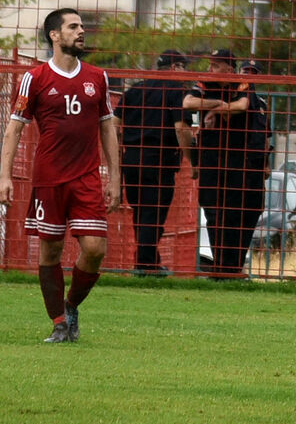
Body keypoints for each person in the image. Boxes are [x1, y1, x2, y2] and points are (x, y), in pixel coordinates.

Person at [0, 8, 120, 343]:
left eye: (82, 26)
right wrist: (4, 176)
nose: (82, 31)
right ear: (54, 35)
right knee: (50, 252)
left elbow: (107, 128)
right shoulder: (34, 78)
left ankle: (72, 303)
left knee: (94, 249)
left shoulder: (98, 77)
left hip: (87, 179)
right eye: (73, 26)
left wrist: (115, 178)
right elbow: (14, 129)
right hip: (48, 178)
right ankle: (59, 323)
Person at [182, 49, 268, 277]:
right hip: (211, 159)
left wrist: (213, 110)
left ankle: (232, 268)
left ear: (229, 69)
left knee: (236, 214)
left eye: (216, 65)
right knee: (213, 212)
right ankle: (222, 267)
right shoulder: (206, 84)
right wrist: (216, 104)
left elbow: (240, 106)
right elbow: (188, 102)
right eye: (210, 64)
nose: (210, 69)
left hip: (239, 161)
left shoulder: (242, 84)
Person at [115, 49, 188, 274]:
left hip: (132, 158)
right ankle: (146, 266)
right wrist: (190, 158)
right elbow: (180, 127)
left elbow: (114, 123)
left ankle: (149, 260)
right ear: (175, 68)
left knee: (141, 212)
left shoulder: (135, 90)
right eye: (184, 67)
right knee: (153, 214)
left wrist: (120, 152)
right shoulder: (176, 89)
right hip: (159, 159)